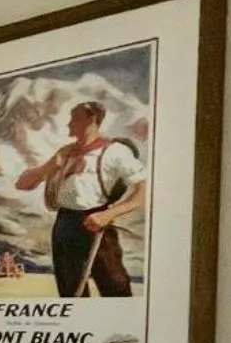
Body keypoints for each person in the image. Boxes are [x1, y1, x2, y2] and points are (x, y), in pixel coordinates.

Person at [13, 99, 146, 297]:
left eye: (74, 118)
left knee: (115, 286)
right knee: (70, 291)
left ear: (92, 120)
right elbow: (22, 185)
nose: (68, 124)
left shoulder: (114, 151)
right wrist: (50, 167)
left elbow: (143, 190)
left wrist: (108, 215)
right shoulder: (65, 152)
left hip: (97, 222)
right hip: (65, 224)